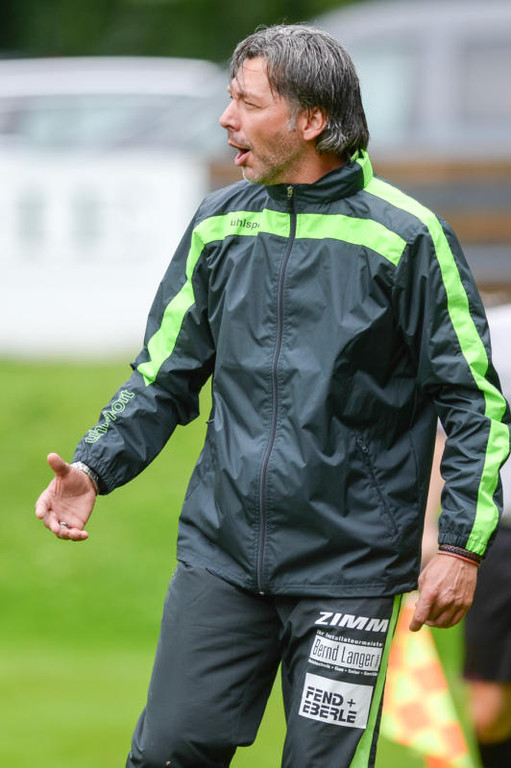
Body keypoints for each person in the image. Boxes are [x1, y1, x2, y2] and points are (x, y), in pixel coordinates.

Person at [34, 24, 510, 768]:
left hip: (350, 573)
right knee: (165, 755)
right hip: (220, 558)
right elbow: (162, 374)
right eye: (230, 99)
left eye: (247, 103)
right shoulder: (217, 225)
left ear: (310, 120)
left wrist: (458, 547)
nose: (226, 119)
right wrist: (95, 466)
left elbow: (473, 402)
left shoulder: (410, 238)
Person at [425, 303, 511, 768]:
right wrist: (428, 530)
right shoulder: (493, 332)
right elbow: (448, 433)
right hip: (499, 541)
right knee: (488, 711)